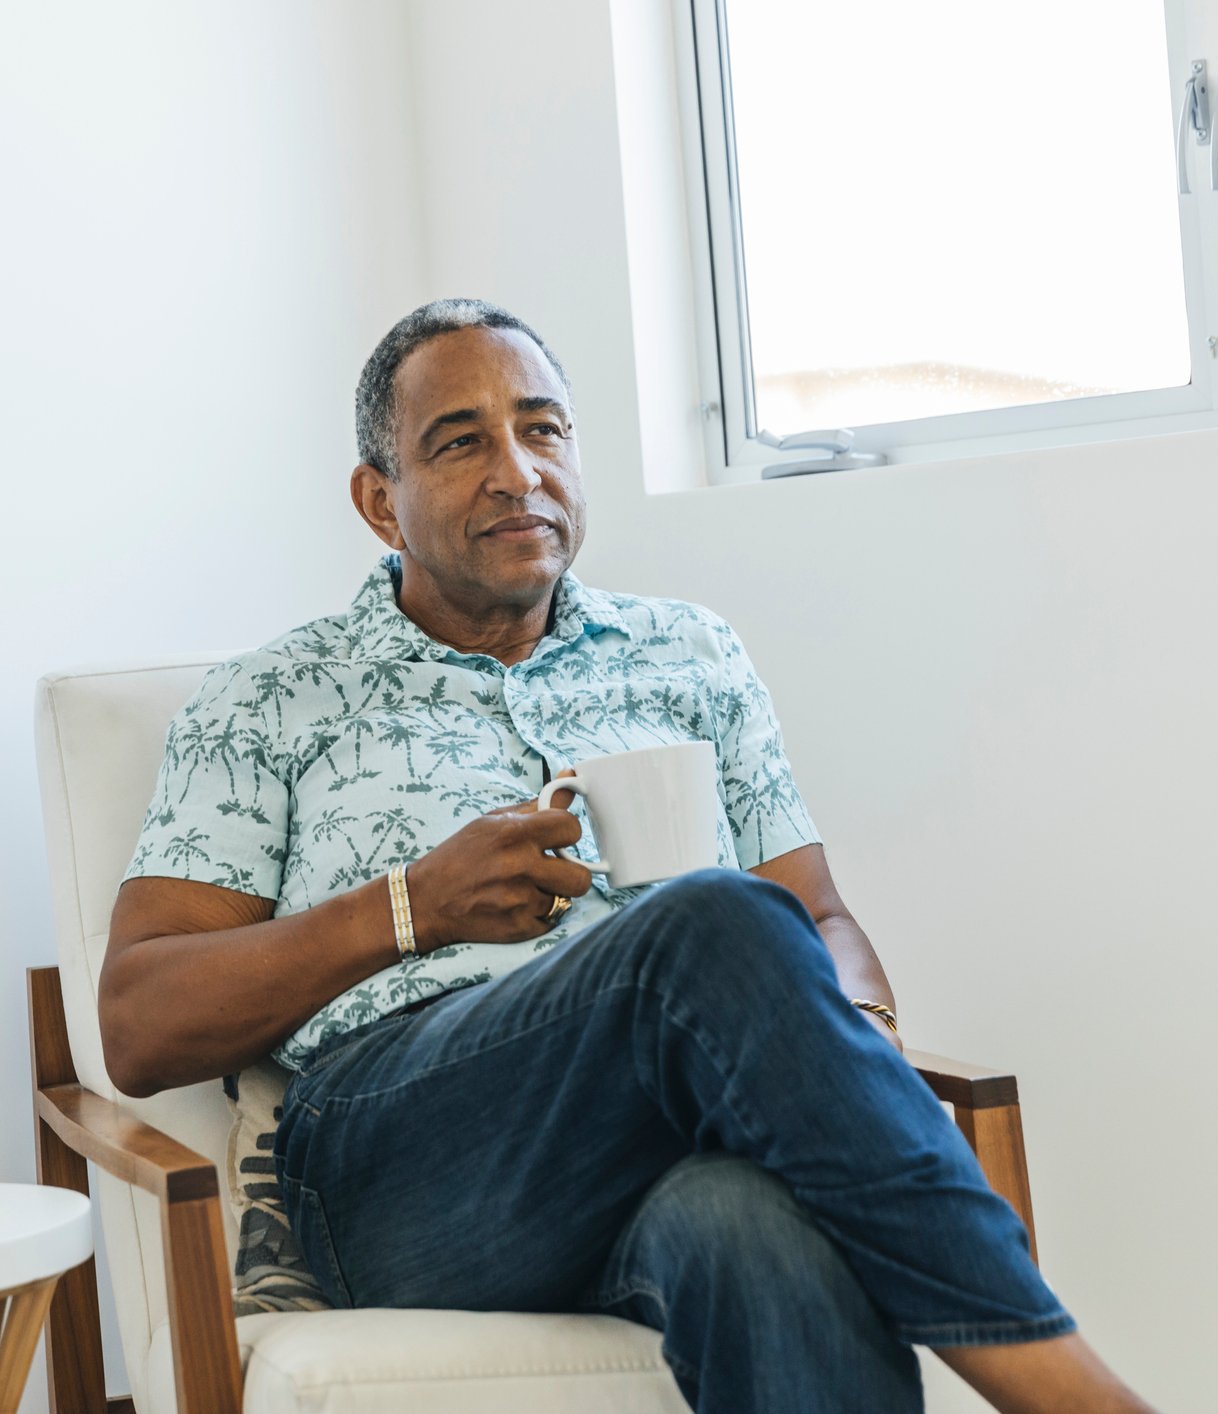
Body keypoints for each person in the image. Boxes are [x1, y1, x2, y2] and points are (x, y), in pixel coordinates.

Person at [99, 298, 1156, 1413]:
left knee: (753, 1229)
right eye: (459, 443)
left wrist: (856, 1046)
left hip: (669, 1143)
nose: (518, 472)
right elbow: (139, 1022)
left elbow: (819, 918)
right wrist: (412, 906)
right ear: (379, 501)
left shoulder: (689, 654)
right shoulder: (270, 698)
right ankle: (1071, 1395)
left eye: (543, 429)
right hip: (403, 1161)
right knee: (709, 923)